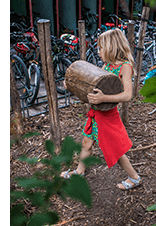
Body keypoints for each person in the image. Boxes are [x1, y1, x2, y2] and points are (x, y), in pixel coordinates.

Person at [60, 28, 142, 190]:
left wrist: (104, 98)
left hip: (109, 117)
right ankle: (79, 171)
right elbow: (94, 88)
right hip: (96, 114)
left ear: (111, 47)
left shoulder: (125, 67)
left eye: (100, 48)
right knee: (86, 142)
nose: (98, 52)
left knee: (116, 151)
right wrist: (73, 85)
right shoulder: (106, 65)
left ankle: (135, 177)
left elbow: (127, 95)